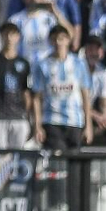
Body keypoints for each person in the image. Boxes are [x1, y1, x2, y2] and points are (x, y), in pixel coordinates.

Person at [29, 22, 91, 150]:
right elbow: (36, 98)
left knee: (75, 164)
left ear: (68, 40)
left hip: (75, 121)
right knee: (58, 164)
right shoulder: (42, 65)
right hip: (52, 121)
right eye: (54, 39)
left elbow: (85, 95)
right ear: (50, 42)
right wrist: (38, 126)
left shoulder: (79, 63)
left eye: (61, 39)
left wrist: (88, 125)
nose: (58, 43)